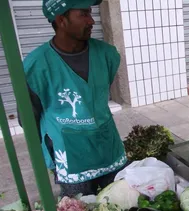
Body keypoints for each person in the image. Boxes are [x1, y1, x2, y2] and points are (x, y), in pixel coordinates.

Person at [18, 0, 128, 197]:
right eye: (83, 14)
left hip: (106, 145)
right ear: (62, 20)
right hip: (70, 152)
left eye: (90, 13)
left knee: (118, 201)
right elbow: (28, 116)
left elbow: (97, 93)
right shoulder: (36, 65)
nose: (92, 21)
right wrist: (46, 154)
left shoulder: (106, 54)